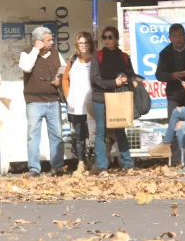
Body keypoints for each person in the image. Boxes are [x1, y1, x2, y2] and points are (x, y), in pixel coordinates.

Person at [19, 26, 66, 178]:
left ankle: (57, 167)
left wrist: (59, 77)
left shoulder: (55, 53)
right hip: (34, 101)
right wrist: (36, 50)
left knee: (57, 135)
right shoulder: (26, 53)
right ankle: (34, 168)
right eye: (48, 40)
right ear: (39, 41)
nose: (52, 42)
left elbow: (65, 68)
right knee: (33, 136)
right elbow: (26, 67)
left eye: (52, 39)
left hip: (53, 100)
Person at [89, 26, 135, 175]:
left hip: (117, 97)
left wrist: (126, 78)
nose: (107, 40)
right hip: (100, 97)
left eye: (110, 37)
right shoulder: (98, 55)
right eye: (105, 37)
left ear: (117, 39)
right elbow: (95, 79)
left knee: (120, 129)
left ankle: (128, 165)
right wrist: (113, 83)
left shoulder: (124, 56)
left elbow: (131, 74)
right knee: (101, 131)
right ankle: (102, 167)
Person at [154, 24, 185, 163]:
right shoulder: (165, 53)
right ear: (170, 38)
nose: (178, 39)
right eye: (174, 36)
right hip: (174, 95)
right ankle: (177, 161)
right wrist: (172, 75)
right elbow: (159, 74)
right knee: (174, 127)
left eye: (180, 35)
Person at [62, 31, 93, 175]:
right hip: (75, 105)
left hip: (92, 105)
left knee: (94, 135)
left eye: (86, 42)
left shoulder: (95, 59)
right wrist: (68, 96)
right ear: (77, 45)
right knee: (79, 136)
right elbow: (65, 78)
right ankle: (81, 163)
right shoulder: (73, 59)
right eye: (81, 43)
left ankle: (94, 163)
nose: (84, 46)